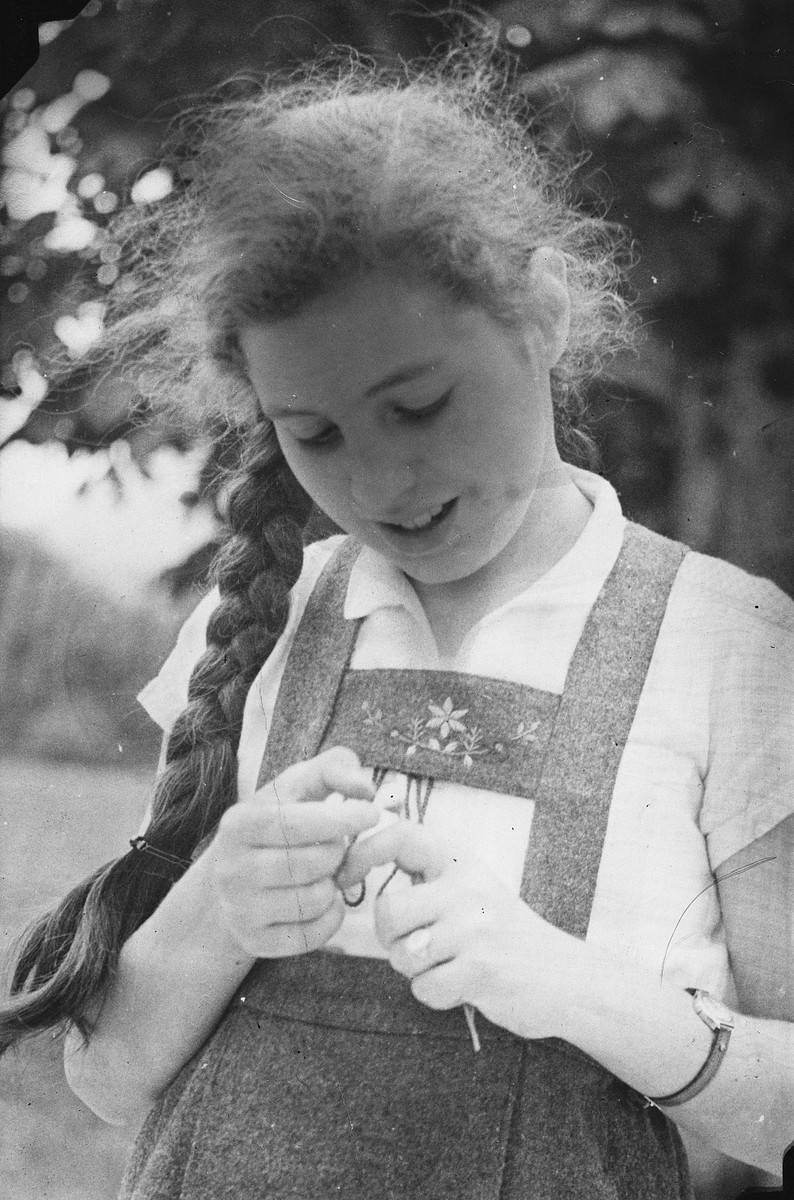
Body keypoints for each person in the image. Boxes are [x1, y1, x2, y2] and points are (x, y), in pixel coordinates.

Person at [1, 40, 792, 1200]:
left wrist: (571, 989)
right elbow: (111, 1079)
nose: (377, 482)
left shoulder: (727, 646)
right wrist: (221, 898)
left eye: (417, 403)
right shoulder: (258, 627)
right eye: (312, 433)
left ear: (545, 315)